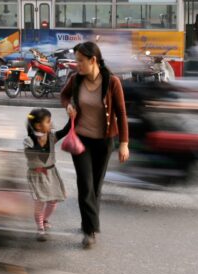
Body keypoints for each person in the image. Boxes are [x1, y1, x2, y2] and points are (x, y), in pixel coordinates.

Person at [60, 42, 129, 249]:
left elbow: (121, 113)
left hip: (104, 141)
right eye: (76, 60)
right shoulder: (76, 80)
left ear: (93, 61)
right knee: (85, 185)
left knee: (96, 187)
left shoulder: (112, 82)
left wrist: (124, 143)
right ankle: (90, 231)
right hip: (80, 139)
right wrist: (69, 105)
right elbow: (64, 96)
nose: (76, 64)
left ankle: (87, 222)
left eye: (80, 61)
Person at [24, 108, 70, 242]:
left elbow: (65, 131)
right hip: (37, 174)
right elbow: (31, 154)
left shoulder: (51, 136)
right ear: (38, 125)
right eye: (48, 122)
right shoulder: (29, 140)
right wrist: (41, 138)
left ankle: (44, 219)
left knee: (53, 201)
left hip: (51, 173)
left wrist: (72, 118)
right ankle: (40, 229)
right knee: (40, 202)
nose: (51, 124)